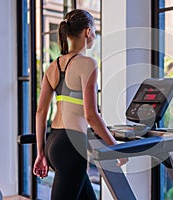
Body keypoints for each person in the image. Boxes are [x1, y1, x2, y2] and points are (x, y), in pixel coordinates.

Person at [32, 9, 128, 200]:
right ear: (87, 31)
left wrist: (41, 153)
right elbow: (91, 115)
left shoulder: (54, 65)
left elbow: (40, 112)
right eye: (94, 30)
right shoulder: (88, 64)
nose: (94, 35)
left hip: (54, 142)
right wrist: (115, 147)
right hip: (71, 146)